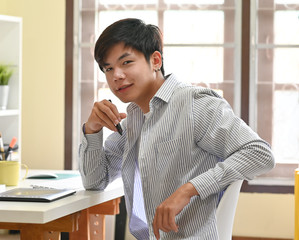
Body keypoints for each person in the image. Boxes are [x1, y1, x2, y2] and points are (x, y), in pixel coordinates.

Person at [78, 18, 275, 240]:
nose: (116, 76)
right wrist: (92, 129)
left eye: (126, 63)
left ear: (155, 60)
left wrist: (188, 190)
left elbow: (260, 153)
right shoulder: (132, 120)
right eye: (108, 68)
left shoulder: (194, 103)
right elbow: (95, 182)